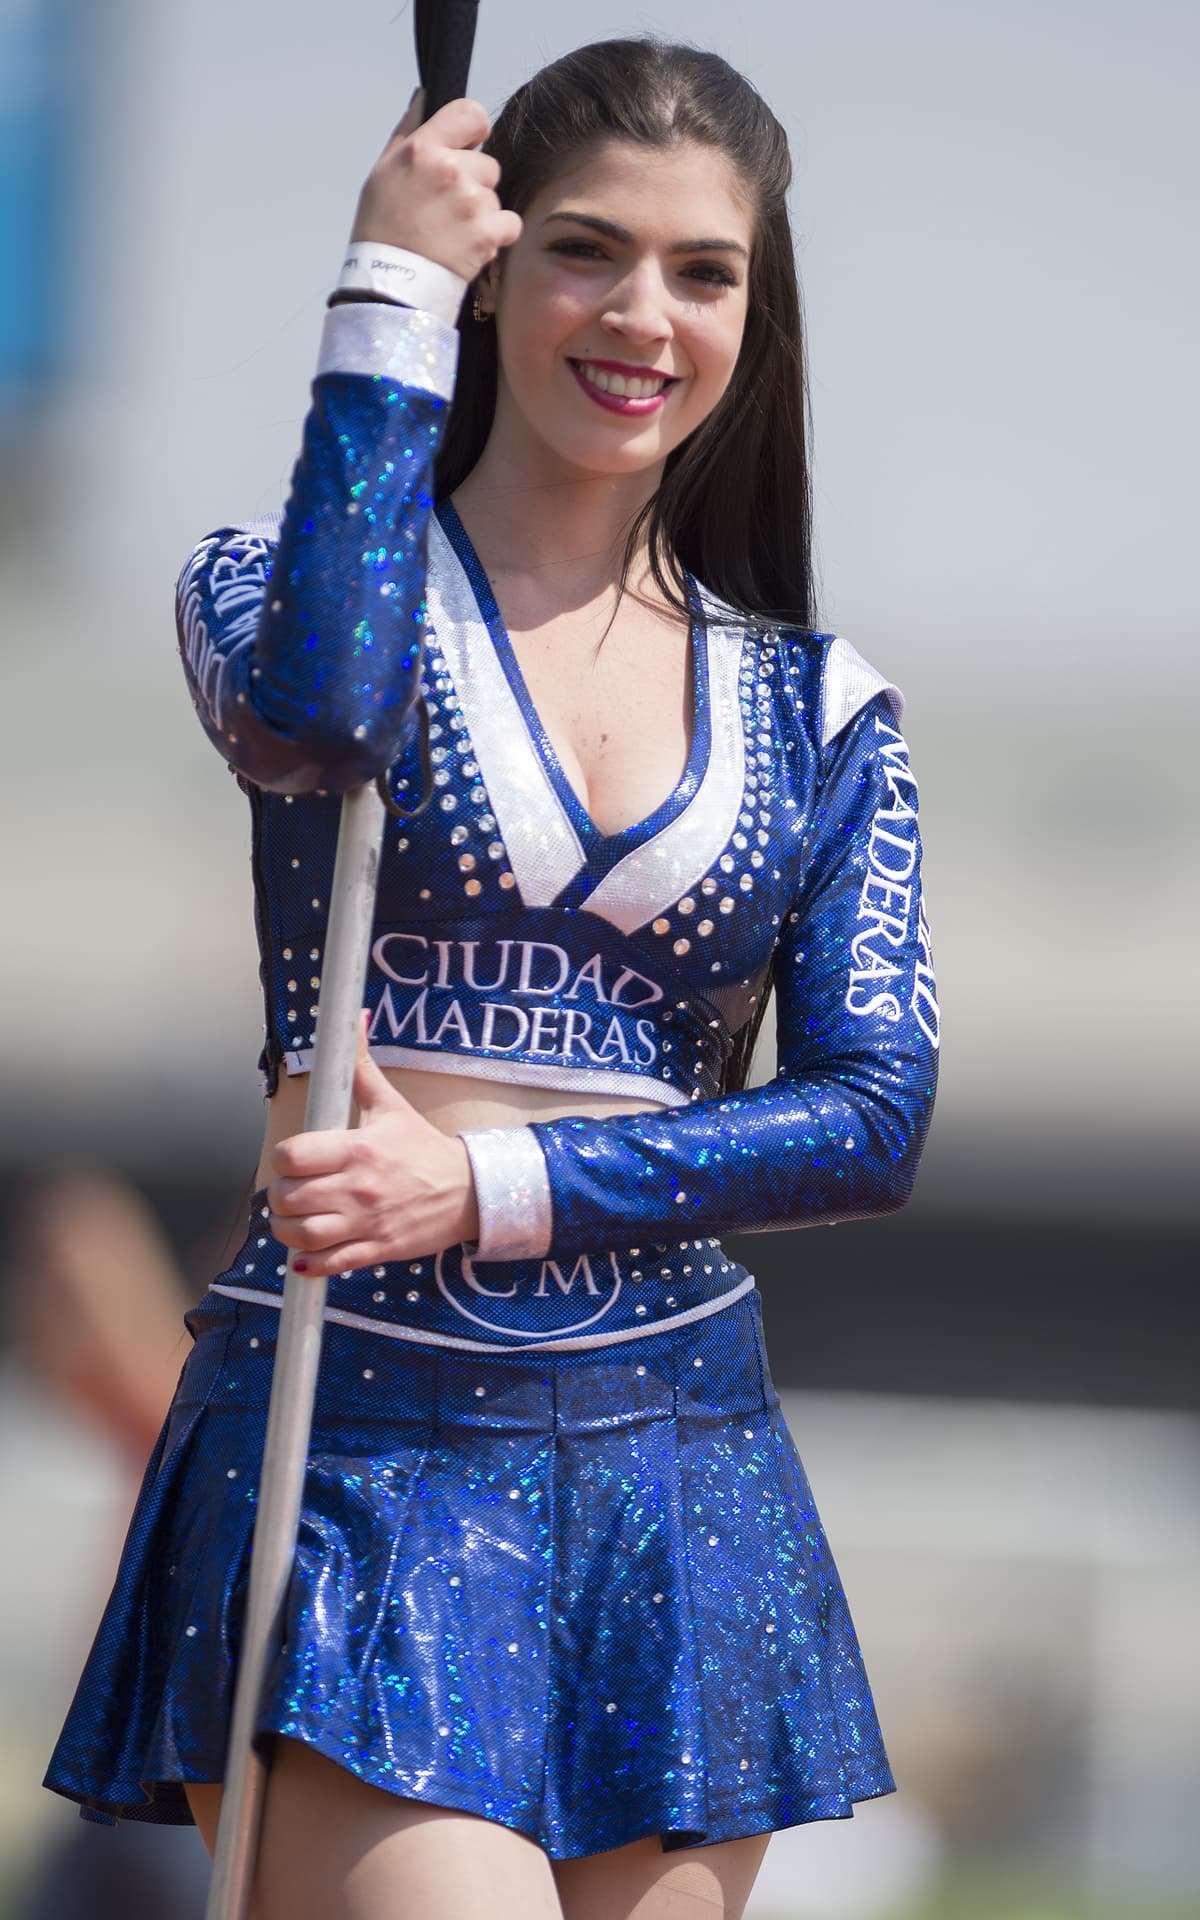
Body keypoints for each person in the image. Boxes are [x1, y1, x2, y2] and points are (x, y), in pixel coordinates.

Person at [45, 36, 939, 1920]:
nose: (642, 315)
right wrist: (383, 291)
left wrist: (482, 1183)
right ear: (493, 271)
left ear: (755, 317)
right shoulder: (263, 586)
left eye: (702, 272)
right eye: (584, 251)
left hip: (677, 1481)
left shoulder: (821, 706)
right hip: (358, 1444)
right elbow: (314, 717)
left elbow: (872, 1118)